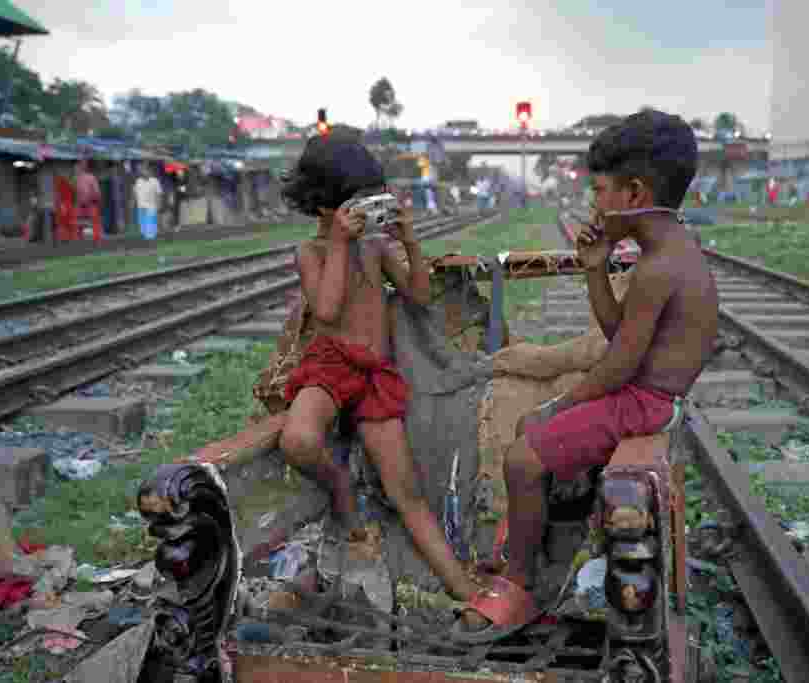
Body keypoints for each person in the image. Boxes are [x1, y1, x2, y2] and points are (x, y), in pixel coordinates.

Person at [455, 109, 719, 641]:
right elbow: (621, 330)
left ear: (635, 192)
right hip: (648, 393)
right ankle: (535, 547)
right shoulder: (667, 252)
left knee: (522, 456)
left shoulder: (657, 266)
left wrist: (561, 404)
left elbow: (619, 362)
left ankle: (521, 585)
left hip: (643, 399)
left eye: (600, 191)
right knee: (535, 435)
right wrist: (596, 269)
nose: (595, 203)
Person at [278, 137, 480, 604]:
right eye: (355, 200)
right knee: (298, 440)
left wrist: (408, 240)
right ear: (324, 201)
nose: (363, 209)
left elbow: (419, 295)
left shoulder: (375, 248)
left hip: (375, 376)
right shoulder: (311, 252)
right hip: (330, 366)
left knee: (404, 490)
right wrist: (341, 245)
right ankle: (345, 498)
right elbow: (326, 311)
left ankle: (462, 586)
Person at [72, 160, 103, 243]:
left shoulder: (90, 177)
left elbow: (97, 192)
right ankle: (78, 240)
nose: (76, 169)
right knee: (78, 222)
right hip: (80, 204)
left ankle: (97, 239)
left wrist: (93, 199)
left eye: (78, 167)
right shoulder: (75, 179)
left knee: (94, 221)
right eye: (75, 168)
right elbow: (74, 192)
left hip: (90, 203)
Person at [134, 164, 164, 240]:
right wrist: (134, 202)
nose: (143, 172)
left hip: (151, 206)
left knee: (150, 223)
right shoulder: (138, 181)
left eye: (145, 170)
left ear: (149, 171)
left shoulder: (154, 181)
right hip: (140, 206)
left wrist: (159, 204)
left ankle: (152, 238)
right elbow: (135, 193)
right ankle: (146, 239)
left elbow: (159, 194)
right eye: (142, 171)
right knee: (143, 225)